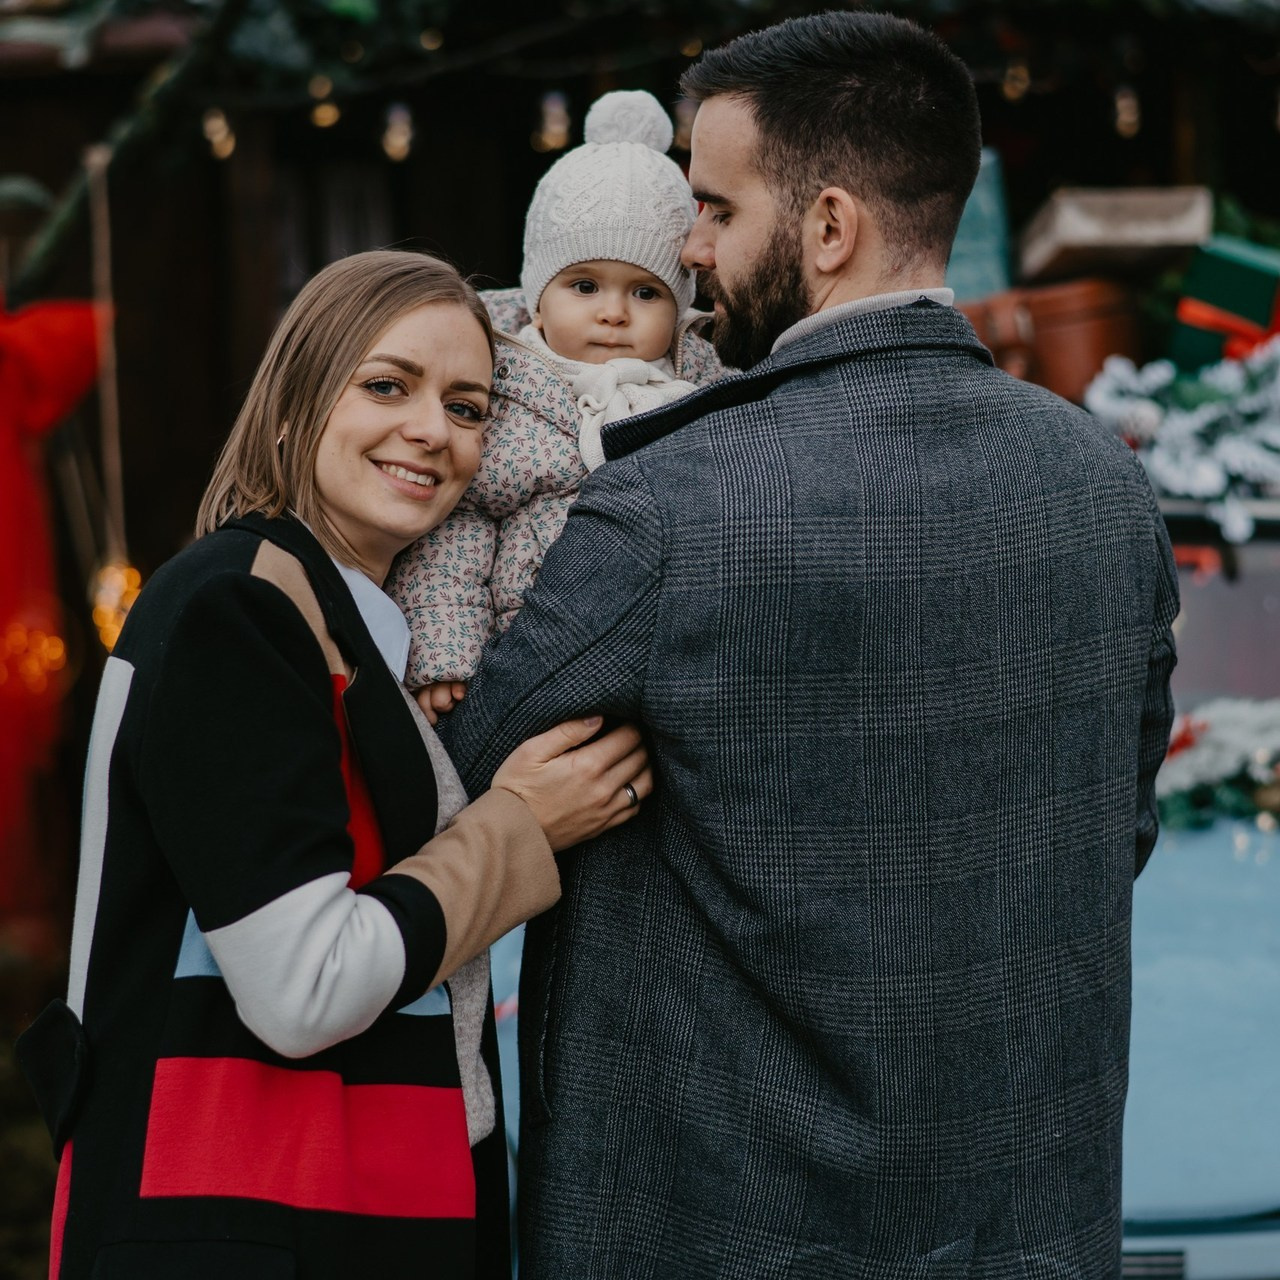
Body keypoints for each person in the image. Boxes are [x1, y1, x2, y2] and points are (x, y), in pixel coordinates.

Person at [439, 12, 1180, 1279]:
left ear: (827, 227)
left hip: (709, 1225)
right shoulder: (1100, 484)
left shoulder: (666, 503)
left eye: (715, 206)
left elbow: (452, 780)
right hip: (1024, 1222)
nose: (689, 245)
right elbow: (1117, 830)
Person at [16, 250, 651, 1280]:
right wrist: (521, 824)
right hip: (238, 1224)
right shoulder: (239, 609)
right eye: (387, 385)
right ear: (291, 404)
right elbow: (302, 984)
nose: (432, 431)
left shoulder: (356, 631)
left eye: (467, 406)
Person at [385, 89, 722, 712]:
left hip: (670, 661)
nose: (614, 313)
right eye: (585, 285)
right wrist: (445, 654)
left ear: (680, 309)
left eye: (646, 293)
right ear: (539, 296)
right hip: (524, 651)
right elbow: (456, 533)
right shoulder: (503, 388)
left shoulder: (702, 392)